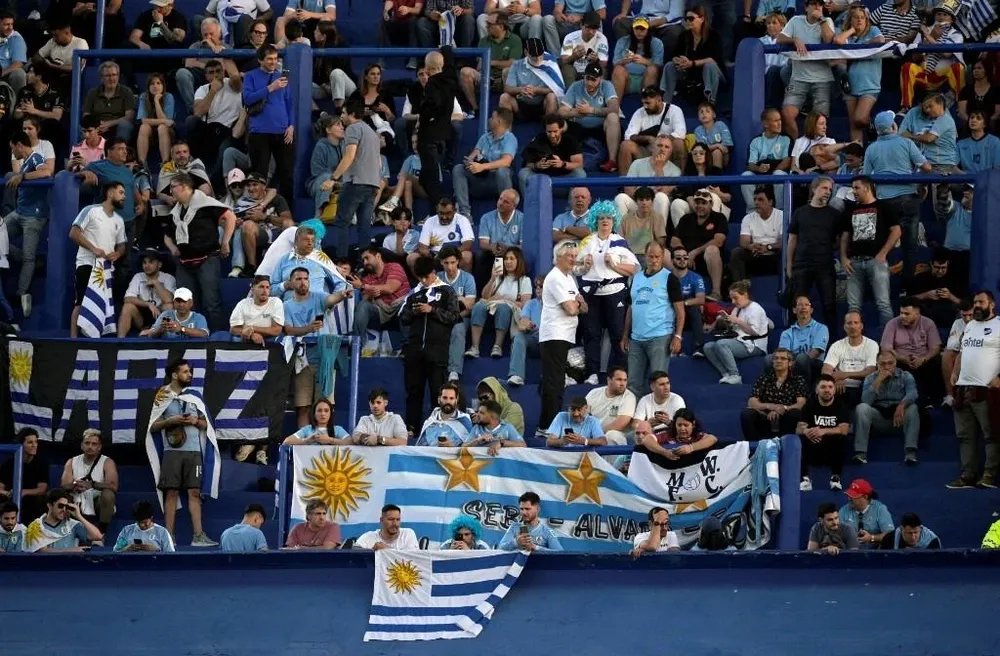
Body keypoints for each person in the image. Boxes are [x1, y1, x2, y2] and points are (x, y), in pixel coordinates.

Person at [150, 359, 218, 546]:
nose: (190, 375)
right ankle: (169, 538)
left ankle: (198, 536)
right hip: (172, 451)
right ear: (174, 374)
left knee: (195, 492)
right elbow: (152, 427)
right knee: (170, 492)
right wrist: (171, 421)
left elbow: (208, 426)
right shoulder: (162, 395)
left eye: (190, 371)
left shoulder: (195, 395)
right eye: (186, 372)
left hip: (194, 451)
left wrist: (196, 421)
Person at [862, 111, 930, 296]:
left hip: (885, 203)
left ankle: (877, 289)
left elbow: (867, 177)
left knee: (881, 246)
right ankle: (907, 289)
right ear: (894, 126)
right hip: (908, 199)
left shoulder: (872, 148)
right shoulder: (906, 143)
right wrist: (914, 177)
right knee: (910, 248)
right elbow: (926, 167)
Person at [164, 173, 236, 331]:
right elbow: (167, 236)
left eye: (173, 187)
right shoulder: (175, 211)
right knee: (186, 304)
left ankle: (217, 339)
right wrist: (173, 248)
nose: (170, 192)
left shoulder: (206, 203)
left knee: (212, 303)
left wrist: (225, 242)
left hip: (207, 259)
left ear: (184, 187)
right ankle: (190, 338)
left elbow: (230, 217)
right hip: (184, 262)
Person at [400, 256, 462, 431]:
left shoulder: (447, 291)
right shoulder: (414, 293)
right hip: (415, 350)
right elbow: (403, 319)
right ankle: (412, 427)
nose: (423, 281)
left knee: (437, 391)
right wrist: (413, 312)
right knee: (413, 391)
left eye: (426, 277)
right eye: (420, 277)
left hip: (437, 350)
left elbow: (454, 316)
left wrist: (432, 310)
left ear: (434, 273)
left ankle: (439, 426)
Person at [282, 267, 349, 427]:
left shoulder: (319, 297)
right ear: (291, 283)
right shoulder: (286, 305)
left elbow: (331, 300)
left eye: (306, 278)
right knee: (302, 406)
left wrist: (342, 294)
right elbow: (288, 330)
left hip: (324, 358)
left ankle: (322, 441)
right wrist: (308, 329)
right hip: (302, 361)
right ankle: (303, 444)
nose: (303, 282)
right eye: (298, 279)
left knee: (324, 406)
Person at [947, 290, 1000, 489]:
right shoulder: (969, 327)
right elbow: (962, 352)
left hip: (987, 390)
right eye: (975, 302)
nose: (977, 305)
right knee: (965, 436)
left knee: (991, 435)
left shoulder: (999, 326)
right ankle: (968, 475)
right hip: (963, 389)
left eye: (981, 302)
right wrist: (955, 372)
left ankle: (989, 475)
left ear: (991, 304)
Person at [623, 241, 684, 394]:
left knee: (659, 382)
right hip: (636, 339)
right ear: (645, 256)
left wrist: (677, 336)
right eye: (651, 256)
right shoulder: (636, 278)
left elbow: (680, 310)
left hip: (660, 337)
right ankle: (633, 417)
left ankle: (657, 417)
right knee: (632, 384)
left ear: (663, 257)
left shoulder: (670, 278)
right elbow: (631, 309)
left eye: (658, 257)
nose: (654, 260)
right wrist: (625, 336)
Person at [68, 182, 127, 338]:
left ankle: (98, 337)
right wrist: (93, 249)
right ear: (110, 193)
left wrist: (117, 254)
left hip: (106, 269)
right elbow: (74, 233)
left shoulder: (119, 220)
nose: (124, 197)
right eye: (121, 192)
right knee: (81, 302)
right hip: (87, 263)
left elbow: (122, 245)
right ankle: (73, 340)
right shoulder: (91, 210)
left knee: (104, 303)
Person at [840, 175, 900, 327]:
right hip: (854, 261)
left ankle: (887, 343)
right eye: (853, 188)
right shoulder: (850, 210)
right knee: (853, 306)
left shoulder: (884, 207)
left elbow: (897, 230)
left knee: (883, 303)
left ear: (867, 188)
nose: (853, 191)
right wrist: (844, 257)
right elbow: (845, 236)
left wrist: (883, 252)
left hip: (875, 260)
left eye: (856, 187)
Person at [3, 131, 52, 317]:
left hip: (35, 216)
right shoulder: (25, 162)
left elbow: (47, 171)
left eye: (12, 148)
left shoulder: (36, 157)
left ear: (18, 145)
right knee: (3, 236)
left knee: (29, 258)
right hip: (20, 212)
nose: (12, 152)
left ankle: (21, 292)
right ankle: (27, 258)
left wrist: (23, 177)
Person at [539, 241, 586, 430]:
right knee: (554, 383)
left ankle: (549, 425)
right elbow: (571, 309)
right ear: (558, 256)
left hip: (565, 335)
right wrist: (577, 303)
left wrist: (578, 304)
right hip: (554, 335)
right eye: (570, 256)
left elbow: (584, 307)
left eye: (575, 256)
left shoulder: (569, 278)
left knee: (557, 382)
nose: (574, 259)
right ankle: (547, 427)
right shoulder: (555, 277)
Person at [330, 98, 382, 258]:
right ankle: (365, 264)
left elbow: (349, 155)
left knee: (342, 222)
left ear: (352, 114)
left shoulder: (352, 128)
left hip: (355, 183)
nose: (342, 116)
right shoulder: (373, 133)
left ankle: (341, 261)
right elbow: (379, 163)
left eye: (344, 113)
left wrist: (334, 178)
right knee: (364, 226)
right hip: (372, 184)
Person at [241, 44, 294, 202]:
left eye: (275, 58)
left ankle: (287, 211)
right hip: (259, 132)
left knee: (286, 173)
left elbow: (289, 103)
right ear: (260, 60)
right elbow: (248, 99)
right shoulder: (251, 76)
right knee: (259, 174)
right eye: (269, 59)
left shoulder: (282, 76)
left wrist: (291, 126)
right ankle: (257, 209)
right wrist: (270, 87)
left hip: (283, 132)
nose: (273, 62)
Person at [786, 176, 841, 329]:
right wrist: (789, 264)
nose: (827, 192)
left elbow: (839, 241)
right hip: (802, 264)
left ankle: (831, 341)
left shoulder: (834, 214)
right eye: (824, 188)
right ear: (814, 189)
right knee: (798, 305)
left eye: (830, 190)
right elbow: (792, 240)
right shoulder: (800, 212)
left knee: (829, 304)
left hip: (825, 264)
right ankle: (794, 340)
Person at [776, 0, 834, 140]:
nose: (817, 7)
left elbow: (829, 40)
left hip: (822, 79)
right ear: (806, 7)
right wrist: (795, 39)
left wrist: (820, 19)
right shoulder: (796, 20)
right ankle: (797, 145)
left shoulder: (827, 21)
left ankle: (814, 149)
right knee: (787, 113)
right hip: (798, 78)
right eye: (814, 4)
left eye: (820, 5)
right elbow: (779, 38)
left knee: (820, 120)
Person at [854, 350, 920, 465]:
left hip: (900, 418)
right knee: (861, 408)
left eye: (890, 363)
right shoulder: (870, 378)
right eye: (882, 364)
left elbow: (913, 393)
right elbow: (866, 401)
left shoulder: (906, 376)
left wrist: (901, 405)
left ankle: (910, 452)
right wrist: (878, 380)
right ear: (877, 365)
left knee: (913, 407)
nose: (887, 367)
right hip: (879, 419)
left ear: (896, 363)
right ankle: (861, 453)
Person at [452, 108, 517, 221]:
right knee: (459, 169)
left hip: (498, 182)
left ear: (499, 121)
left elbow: (506, 161)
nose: (489, 120)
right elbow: (474, 154)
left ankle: (507, 212)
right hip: (480, 179)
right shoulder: (484, 138)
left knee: (502, 170)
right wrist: (470, 161)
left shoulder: (510, 138)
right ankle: (465, 214)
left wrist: (482, 166)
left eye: (492, 117)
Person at [468, 245, 530, 359]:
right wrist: (492, 278)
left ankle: (497, 346)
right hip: (491, 308)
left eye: (512, 259)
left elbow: (526, 305)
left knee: (503, 307)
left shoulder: (525, 280)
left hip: (507, 310)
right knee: (478, 306)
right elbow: (485, 296)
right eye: (506, 259)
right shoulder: (499, 278)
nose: (508, 262)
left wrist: (504, 300)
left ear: (519, 261)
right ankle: (475, 347)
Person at [703, 280, 769, 384]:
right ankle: (726, 374)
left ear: (745, 295)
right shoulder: (737, 309)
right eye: (731, 299)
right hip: (739, 340)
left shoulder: (755, 309)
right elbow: (734, 328)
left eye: (736, 298)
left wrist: (737, 321)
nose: (733, 302)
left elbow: (755, 332)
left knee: (721, 344)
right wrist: (726, 321)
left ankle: (735, 375)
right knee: (708, 347)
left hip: (755, 344)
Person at [417, 49, 458, 212]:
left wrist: (425, 113)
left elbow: (433, 105)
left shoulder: (433, 83)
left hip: (429, 136)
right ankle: (437, 209)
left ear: (427, 67)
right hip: (443, 135)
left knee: (431, 179)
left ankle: (439, 212)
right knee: (427, 176)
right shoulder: (451, 80)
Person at [881, 298, 943, 405]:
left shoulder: (928, 323)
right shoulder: (892, 324)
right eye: (901, 313)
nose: (902, 316)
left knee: (936, 360)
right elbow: (886, 348)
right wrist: (903, 358)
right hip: (900, 360)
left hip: (923, 360)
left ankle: (931, 400)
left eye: (907, 314)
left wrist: (923, 359)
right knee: (888, 361)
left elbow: (935, 347)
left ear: (917, 314)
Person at [669, 188, 727, 300]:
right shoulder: (686, 218)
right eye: (697, 202)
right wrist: (685, 256)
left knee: (712, 250)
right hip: (686, 261)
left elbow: (719, 241)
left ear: (711, 204)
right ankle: (674, 290)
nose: (700, 206)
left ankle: (716, 292)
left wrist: (695, 252)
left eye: (704, 203)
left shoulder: (719, 218)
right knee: (665, 253)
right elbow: (674, 240)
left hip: (706, 261)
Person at [836, 4, 883, 143]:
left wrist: (857, 51)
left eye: (862, 18)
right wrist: (851, 30)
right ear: (850, 19)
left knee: (860, 119)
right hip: (850, 86)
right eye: (856, 18)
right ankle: (857, 157)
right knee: (853, 124)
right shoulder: (848, 36)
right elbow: (838, 41)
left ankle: (870, 124)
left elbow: (880, 40)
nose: (859, 20)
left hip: (870, 85)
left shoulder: (873, 30)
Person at [660, 5, 725, 106]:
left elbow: (713, 59)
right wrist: (678, 60)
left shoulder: (713, 36)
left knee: (709, 66)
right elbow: (674, 54)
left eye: (691, 18)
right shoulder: (684, 36)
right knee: (669, 66)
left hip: (714, 74)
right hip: (690, 72)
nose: (688, 22)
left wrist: (692, 63)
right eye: (686, 19)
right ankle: (665, 102)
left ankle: (709, 103)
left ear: (702, 19)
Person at [459, 13, 522, 115]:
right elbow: (480, 64)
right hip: (487, 78)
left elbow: (512, 63)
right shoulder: (484, 41)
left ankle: (509, 107)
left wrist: (490, 62)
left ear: (501, 26)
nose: (486, 26)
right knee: (465, 72)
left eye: (490, 24)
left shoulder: (515, 40)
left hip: (504, 79)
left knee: (508, 70)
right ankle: (476, 109)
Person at [349, 245, 411, 346]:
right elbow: (365, 299)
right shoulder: (366, 278)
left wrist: (364, 286)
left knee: (407, 306)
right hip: (380, 309)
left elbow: (390, 288)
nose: (365, 263)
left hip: (400, 305)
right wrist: (372, 295)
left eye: (367, 258)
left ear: (378, 256)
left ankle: (409, 347)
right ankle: (357, 345)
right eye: (363, 260)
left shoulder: (394, 266)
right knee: (363, 305)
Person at [742, 347, 807, 441]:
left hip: (785, 419)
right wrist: (772, 407)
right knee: (747, 413)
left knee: (795, 413)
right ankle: (753, 446)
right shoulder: (763, 379)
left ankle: (787, 443)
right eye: (775, 358)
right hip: (766, 418)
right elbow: (752, 402)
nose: (778, 361)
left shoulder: (798, 380)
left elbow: (801, 403)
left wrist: (784, 408)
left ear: (790, 363)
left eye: (783, 358)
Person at [798, 374, 849, 492]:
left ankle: (835, 477)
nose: (827, 390)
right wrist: (807, 431)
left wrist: (823, 431)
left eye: (830, 387)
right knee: (800, 439)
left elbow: (844, 430)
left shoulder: (840, 405)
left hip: (832, 447)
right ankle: (804, 479)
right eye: (823, 387)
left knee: (840, 438)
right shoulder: (810, 405)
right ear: (816, 390)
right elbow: (799, 428)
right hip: (814, 445)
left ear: (835, 389)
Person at [619, 86, 686, 175]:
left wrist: (660, 142)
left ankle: (678, 181)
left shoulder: (674, 110)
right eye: (643, 103)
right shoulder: (640, 112)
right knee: (625, 145)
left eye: (648, 103)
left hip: (667, 152)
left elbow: (680, 132)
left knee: (679, 143)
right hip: (648, 152)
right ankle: (625, 184)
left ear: (658, 100)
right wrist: (648, 138)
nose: (645, 106)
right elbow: (629, 135)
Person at [59, 429, 117, 533]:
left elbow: (113, 486)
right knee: (62, 496)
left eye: (94, 444)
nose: (90, 446)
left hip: (97, 500)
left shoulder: (107, 462)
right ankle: (73, 532)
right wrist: (75, 486)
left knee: (108, 495)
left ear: (99, 447)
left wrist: (92, 484)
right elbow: (64, 485)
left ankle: (101, 531)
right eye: (87, 443)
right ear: (82, 445)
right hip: (77, 499)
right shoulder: (72, 461)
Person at [517, 113, 586, 198]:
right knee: (523, 173)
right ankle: (530, 205)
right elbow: (526, 165)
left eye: (555, 131)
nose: (552, 135)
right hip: (542, 182)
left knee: (580, 173)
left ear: (561, 129)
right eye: (549, 132)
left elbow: (579, 164)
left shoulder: (570, 141)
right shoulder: (539, 139)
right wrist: (537, 165)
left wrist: (562, 164)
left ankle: (571, 205)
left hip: (564, 182)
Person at [822, 311, 880, 409]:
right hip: (841, 387)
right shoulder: (837, 345)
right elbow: (826, 369)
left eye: (856, 323)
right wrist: (833, 381)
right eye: (849, 323)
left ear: (861, 326)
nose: (852, 326)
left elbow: (871, 371)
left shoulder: (872, 345)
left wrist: (845, 375)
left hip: (863, 387)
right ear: (844, 327)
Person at [437, 246, 477, 382]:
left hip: (460, 317)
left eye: (453, 262)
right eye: (446, 263)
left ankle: (454, 371)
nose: (450, 267)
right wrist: (458, 298)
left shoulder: (468, 278)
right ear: (441, 262)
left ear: (458, 261)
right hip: (439, 317)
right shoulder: (437, 278)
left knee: (458, 329)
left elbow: (470, 306)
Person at [771, 295, 829, 385]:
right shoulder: (787, 333)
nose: (803, 307)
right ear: (794, 310)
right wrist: (789, 364)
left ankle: (803, 391)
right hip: (790, 364)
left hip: (814, 364)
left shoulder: (821, 328)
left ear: (811, 310)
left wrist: (794, 363)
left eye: (807, 304)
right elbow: (784, 353)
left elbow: (816, 352)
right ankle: (775, 389)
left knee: (802, 358)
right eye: (800, 305)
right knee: (768, 359)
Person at [472, 188, 523, 290]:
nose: (500, 203)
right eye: (500, 199)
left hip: (513, 252)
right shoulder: (487, 217)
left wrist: (507, 248)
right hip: (493, 252)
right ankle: (481, 292)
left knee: (521, 256)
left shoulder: (522, 218)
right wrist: (492, 247)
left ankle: (516, 291)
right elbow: (483, 243)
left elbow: (523, 245)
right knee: (481, 255)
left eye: (506, 202)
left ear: (514, 206)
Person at [23, 488, 103, 553]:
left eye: (66, 507)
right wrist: (72, 550)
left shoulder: (72, 525)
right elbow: (42, 551)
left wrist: (79, 516)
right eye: (60, 506)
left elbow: (97, 537)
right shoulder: (36, 526)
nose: (64, 510)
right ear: (50, 505)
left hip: (68, 568)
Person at [118, 249, 176, 337]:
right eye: (144, 262)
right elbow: (127, 298)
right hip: (142, 317)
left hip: (160, 315)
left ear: (159, 264)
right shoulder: (138, 277)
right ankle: (119, 342)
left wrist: (156, 283)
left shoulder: (168, 278)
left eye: (151, 262)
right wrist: (148, 304)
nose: (147, 265)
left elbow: (169, 299)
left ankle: (168, 338)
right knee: (128, 306)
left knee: (169, 306)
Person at [742, 108, 790, 211]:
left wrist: (770, 177)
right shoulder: (756, 141)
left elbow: (787, 161)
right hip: (760, 176)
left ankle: (780, 211)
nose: (779, 123)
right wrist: (759, 169)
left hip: (776, 175)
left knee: (778, 174)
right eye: (775, 121)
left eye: (780, 120)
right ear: (766, 124)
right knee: (745, 176)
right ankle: (753, 211)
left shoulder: (786, 139)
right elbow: (750, 164)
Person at [730, 186, 782, 282]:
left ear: (770, 202)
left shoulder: (781, 216)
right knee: (737, 253)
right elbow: (743, 242)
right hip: (756, 255)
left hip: (774, 256)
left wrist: (767, 247)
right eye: (755, 199)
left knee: (786, 252)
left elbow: (783, 242)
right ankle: (741, 290)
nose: (756, 202)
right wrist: (751, 246)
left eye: (761, 199)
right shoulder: (748, 218)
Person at [412, 197, 475, 272]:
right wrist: (430, 256)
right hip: (435, 256)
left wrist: (447, 254)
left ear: (454, 211)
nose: (444, 217)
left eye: (448, 213)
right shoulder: (429, 221)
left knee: (467, 256)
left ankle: (462, 283)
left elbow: (467, 245)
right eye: (441, 213)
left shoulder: (462, 220)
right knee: (412, 258)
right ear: (437, 210)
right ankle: (427, 283)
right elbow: (422, 247)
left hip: (455, 255)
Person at [610, 17, 664, 103]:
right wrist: (624, 61)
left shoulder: (657, 43)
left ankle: (648, 106)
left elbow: (659, 66)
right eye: (637, 28)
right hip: (627, 79)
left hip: (645, 79)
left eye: (642, 29)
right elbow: (614, 63)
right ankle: (615, 108)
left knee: (652, 70)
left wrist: (645, 61)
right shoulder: (622, 41)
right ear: (632, 29)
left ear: (648, 29)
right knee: (618, 69)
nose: (639, 32)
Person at [633, 410, 718, 464]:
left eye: (686, 425)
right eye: (679, 425)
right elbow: (647, 440)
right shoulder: (668, 434)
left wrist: (690, 448)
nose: (682, 428)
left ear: (693, 425)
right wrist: (664, 452)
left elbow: (712, 439)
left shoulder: (698, 436)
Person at [0, 428, 48, 522]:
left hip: (31, 501)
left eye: (36, 442)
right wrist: (7, 493)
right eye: (30, 442)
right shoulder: (9, 463)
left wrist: (22, 492)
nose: (34, 445)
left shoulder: (41, 464)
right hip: (10, 499)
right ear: (21, 445)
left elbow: (42, 489)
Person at [910, 249, 964, 329]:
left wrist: (950, 296)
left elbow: (965, 304)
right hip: (926, 317)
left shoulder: (955, 280)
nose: (940, 271)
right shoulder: (921, 278)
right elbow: (908, 299)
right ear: (931, 264)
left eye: (943, 268)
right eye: (937, 267)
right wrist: (926, 295)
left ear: (948, 264)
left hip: (949, 318)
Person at [82, 61, 135, 142]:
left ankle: (119, 150)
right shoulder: (93, 93)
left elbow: (129, 116)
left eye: (114, 75)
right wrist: (97, 125)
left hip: (118, 126)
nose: (111, 79)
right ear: (101, 78)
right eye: (107, 75)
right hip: (98, 126)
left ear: (118, 76)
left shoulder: (126, 92)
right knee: (81, 128)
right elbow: (86, 115)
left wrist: (109, 123)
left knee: (125, 125)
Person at [582, 366, 635, 446]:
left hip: (618, 435)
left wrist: (597, 434)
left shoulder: (629, 397)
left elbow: (620, 424)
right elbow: (582, 413)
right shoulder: (594, 393)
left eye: (625, 380)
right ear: (609, 380)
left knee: (612, 435)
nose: (622, 384)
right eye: (619, 380)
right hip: (592, 434)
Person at [838, 478, 894, 549]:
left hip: (875, 554)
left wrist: (872, 538)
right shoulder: (843, 511)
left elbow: (890, 536)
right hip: (849, 553)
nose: (849, 498)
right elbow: (836, 535)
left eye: (853, 496)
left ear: (865, 496)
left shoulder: (880, 509)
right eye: (849, 495)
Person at [507, 276, 542, 387]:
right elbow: (522, 323)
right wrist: (527, 325)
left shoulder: (556, 304)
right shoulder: (531, 303)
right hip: (534, 338)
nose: (538, 289)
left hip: (550, 340)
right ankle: (517, 375)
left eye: (541, 286)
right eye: (536, 287)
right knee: (519, 336)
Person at [497, 491, 563, 551]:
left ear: (538, 509)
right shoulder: (514, 527)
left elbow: (560, 553)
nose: (524, 512)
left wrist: (536, 548)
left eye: (527, 509)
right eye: (521, 509)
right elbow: (499, 548)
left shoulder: (547, 531)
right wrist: (515, 543)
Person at [671, 247, 706, 357]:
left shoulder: (696, 277)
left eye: (685, 257)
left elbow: (701, 299)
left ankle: (698, 348)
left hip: (690, 316)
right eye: (678, 258)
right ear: (672, 260)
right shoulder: (666, 277)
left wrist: (683, 303)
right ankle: (677, 350)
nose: (682, 260)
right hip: (672, 313)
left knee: (695, 308)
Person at [230, 276, 285, 346]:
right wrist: (252, 335)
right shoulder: (242, 303)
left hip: (270, 338)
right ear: (252, 289)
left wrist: (252, 328)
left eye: (267, 287)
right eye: (261, 287)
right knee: (236, 339)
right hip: (246, 338)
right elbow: (233, 329)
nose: (265, 291)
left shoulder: (276, 302)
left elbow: (277, 330)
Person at [559, 11, 609, 87]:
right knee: (566, 68)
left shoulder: (601, 38)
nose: (591, 32)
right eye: (588, 28)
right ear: (581, 25)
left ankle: (596, 96)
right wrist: (573, 56)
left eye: (594, 29)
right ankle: (571, 95)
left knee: (603, 70)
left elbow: (604, 64)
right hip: (575, 71)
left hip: (592, 71)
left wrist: (597, 60)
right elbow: (563, 60)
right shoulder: (570, 37)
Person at [942, 298, 974, 408]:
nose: (967, 319)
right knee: (947, 354)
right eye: (964, 315)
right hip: (961, 354)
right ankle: (950, 396)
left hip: (977, 356)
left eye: (970, 315)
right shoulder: (958, 323)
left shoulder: (984, 322)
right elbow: (952, 345)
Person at [282, 399, 351, 446]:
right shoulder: (307, 429)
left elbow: (350, 442)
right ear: (314, 414)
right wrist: (307, 440)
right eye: (319, 410)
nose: (323, 414)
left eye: (326, 410)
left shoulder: (337, 429)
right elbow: (286, 441)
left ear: (331, 414)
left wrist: (330, 440)